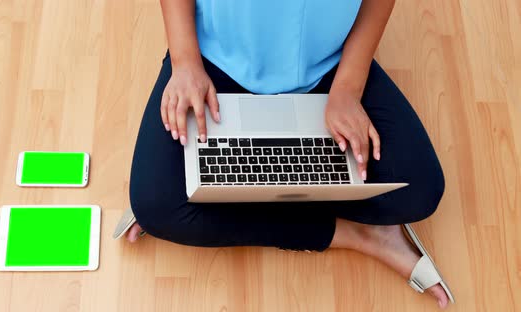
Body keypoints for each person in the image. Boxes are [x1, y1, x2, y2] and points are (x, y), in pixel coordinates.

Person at [127, 0, 452, 308]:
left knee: (418, 192)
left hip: (328, 67)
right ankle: (359, 235)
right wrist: (185, 62)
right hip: (216, 60)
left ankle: (214, 191)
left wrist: (348, 89)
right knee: (156, 206)